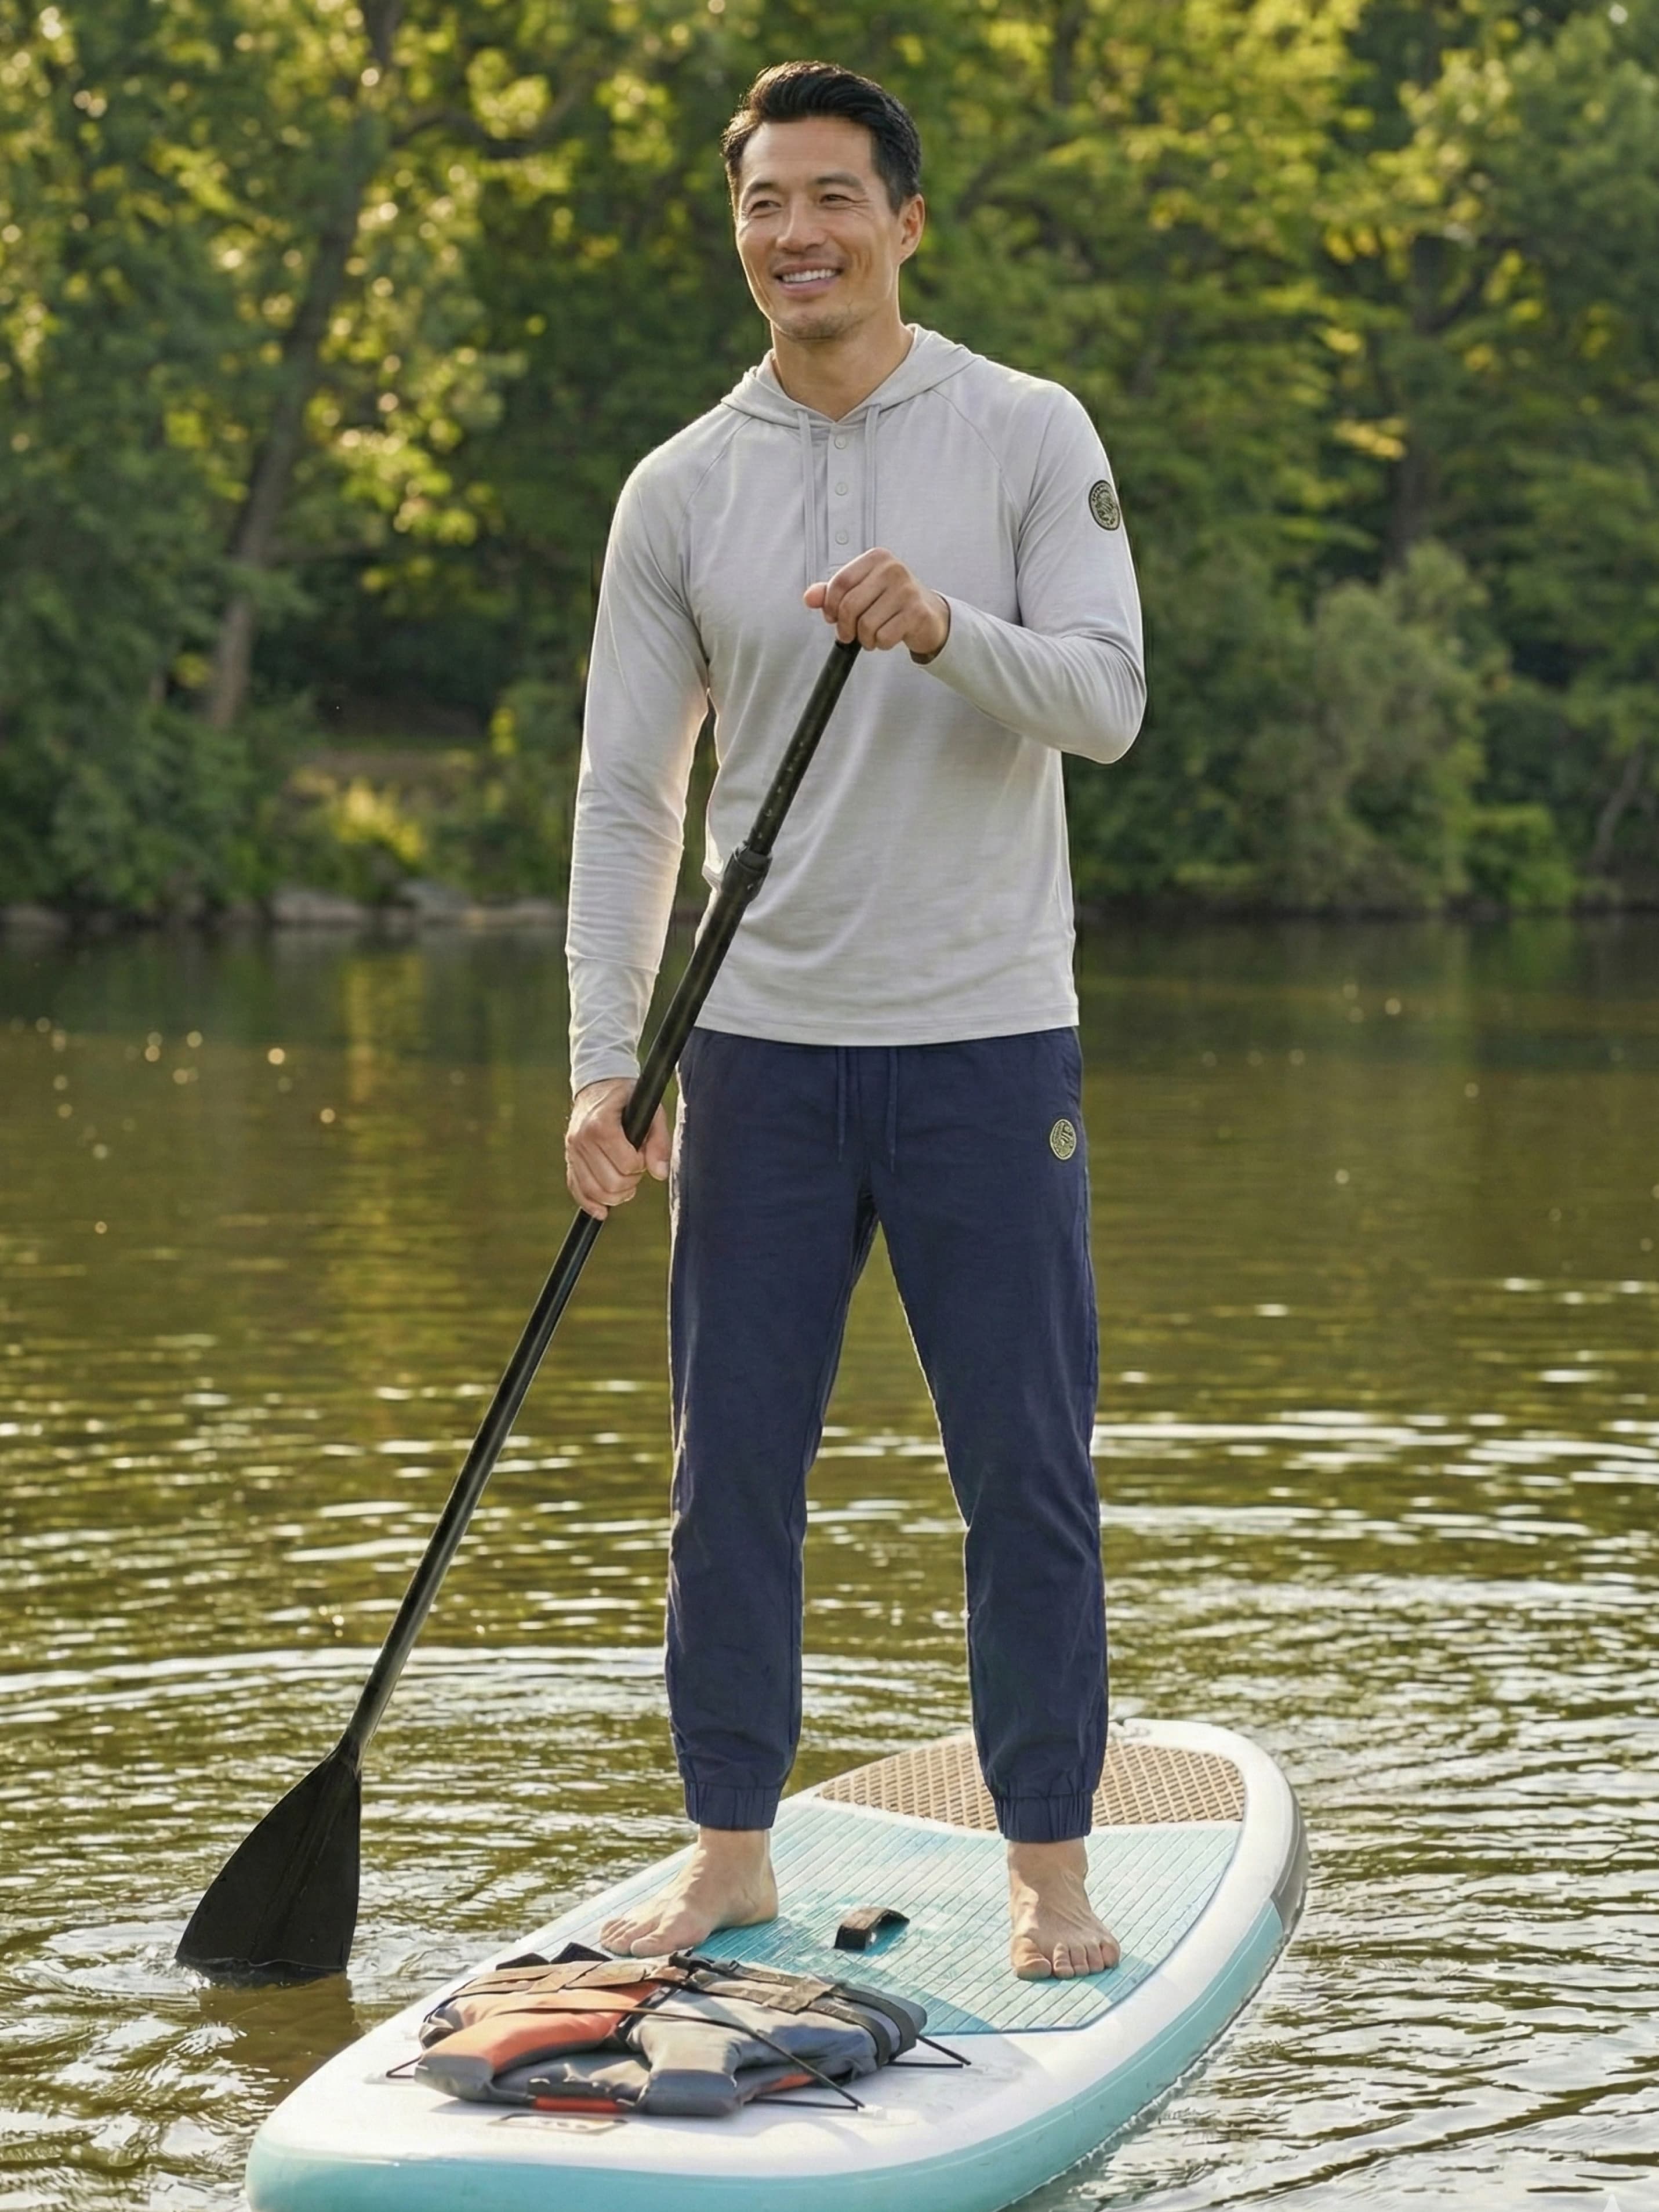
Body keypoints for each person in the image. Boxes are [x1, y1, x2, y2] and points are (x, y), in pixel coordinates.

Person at [563, 59, 1145, 1981]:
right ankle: (729, 1843)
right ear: (738, 232)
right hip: (761, 1056)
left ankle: (1052, 1858)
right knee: (728, 1475)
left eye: (831, 198)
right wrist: (604, 1060)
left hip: (986, 1044)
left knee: (1024, 1472)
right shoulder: (682, 488)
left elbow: (1108, 698)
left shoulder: (1024, 433)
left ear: (906, 220)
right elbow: (631, 800)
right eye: (761, 204)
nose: (794, 234)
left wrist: (942, 632)